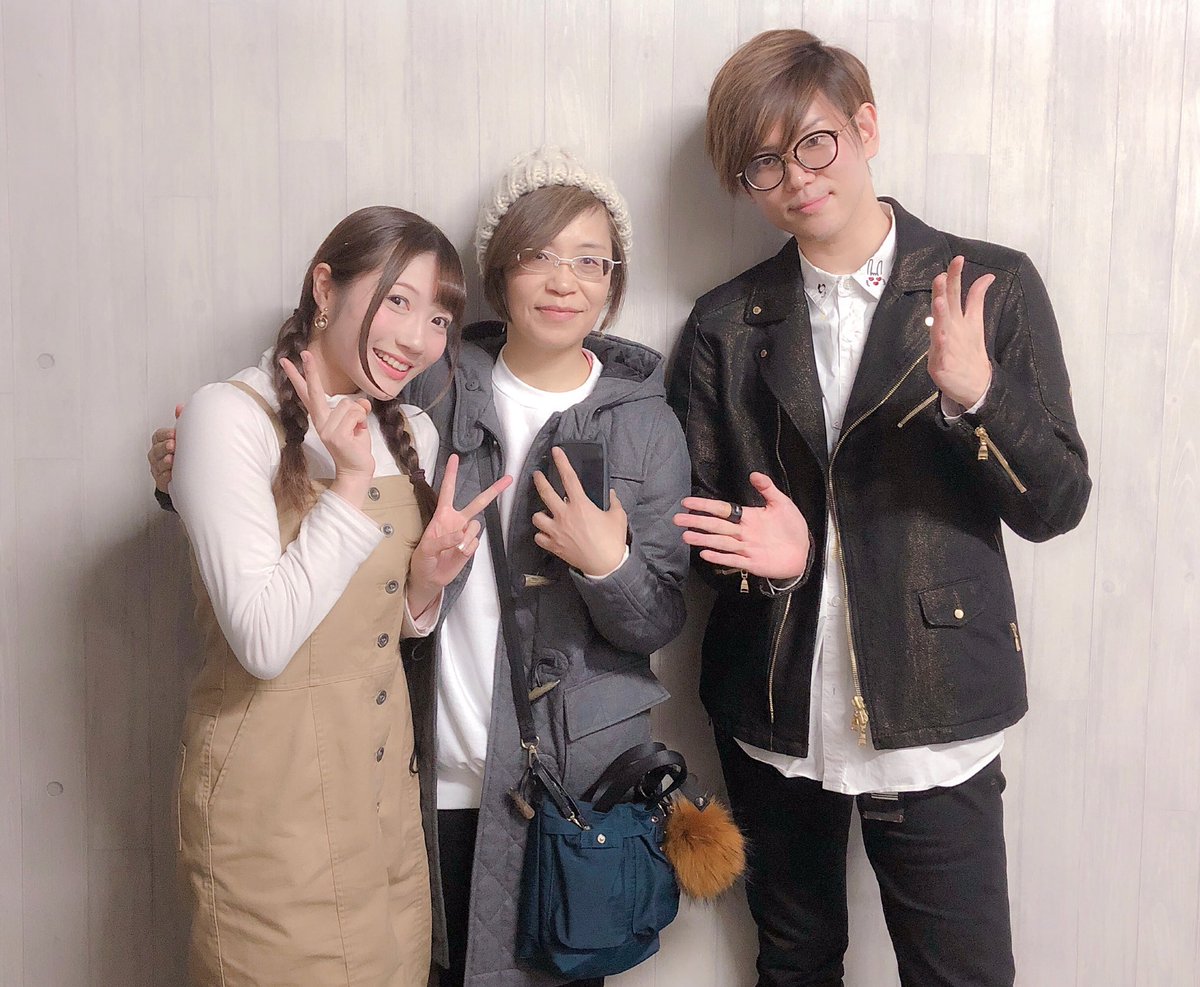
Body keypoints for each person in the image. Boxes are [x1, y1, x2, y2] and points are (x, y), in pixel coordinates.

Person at [151, 149, 691, 987]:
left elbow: (658, 617)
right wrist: (185, 474)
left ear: (613, 280)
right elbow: (293, 466)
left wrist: (608, 564)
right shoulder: (435, 387)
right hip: (412, 767)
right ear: (501, 269)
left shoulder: (645, 422)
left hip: (566, 786)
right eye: (540, 254)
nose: (564, 281)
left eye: (591, 261)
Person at [668, 30, 1091, 987]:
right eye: (764, 163)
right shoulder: (725, 322)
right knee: (795, 962)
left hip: (936, 702)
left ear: (864, 128)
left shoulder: (987, 286)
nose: (796, 178)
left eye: (813, 142)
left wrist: (979, 398)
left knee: (961, 973)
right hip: (773, 706)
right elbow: (692, 533)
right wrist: (771, 564)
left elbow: (1057, 502)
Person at [166, 206, 509, 985]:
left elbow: (377, 628)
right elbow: (263, 638)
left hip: (383, 806)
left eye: (439, 318)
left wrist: (424, 584)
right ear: (324, 287)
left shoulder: (411, 428)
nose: (417, 337)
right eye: (397, 300)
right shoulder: (230, 416)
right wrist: (350, 484)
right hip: (271, 810)